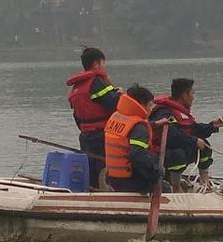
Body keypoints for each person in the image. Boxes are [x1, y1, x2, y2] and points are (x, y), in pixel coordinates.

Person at [151, 78, 223, 190]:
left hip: (178, 148)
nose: (193, 96)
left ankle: (204, 181)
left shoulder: (182, 111)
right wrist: (194, 141)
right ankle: (175, 186)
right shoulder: (164, 112)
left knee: (204, 145)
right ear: (184, 95)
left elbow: (192, 129)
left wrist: (212, 126)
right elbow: (172, 135)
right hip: (161, 154)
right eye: (192, 93)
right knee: (178, 155)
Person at [66, 47, 121, 189]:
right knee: (105, 167)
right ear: (97, 64)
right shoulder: (97, 82)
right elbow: (113, 104)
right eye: (103, 63)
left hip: (86, 135)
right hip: (102, 134)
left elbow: (76, 115)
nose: (104, 67)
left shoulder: (77, 86)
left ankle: (92, 192)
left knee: (91, 170)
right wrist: (120, 94)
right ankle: (107, 196)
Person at [104, 85, 166, 194]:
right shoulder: (139, 127)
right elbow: (137, 155)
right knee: (164, 186)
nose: (152, 108)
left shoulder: (117, 117)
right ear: (142, 105)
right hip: (129, 180)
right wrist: (156, 172)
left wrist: (156, 123)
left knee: (152, 159)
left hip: (113, 177)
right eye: (150, 105)